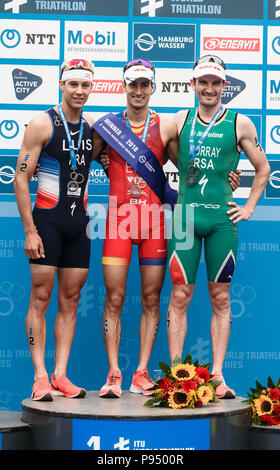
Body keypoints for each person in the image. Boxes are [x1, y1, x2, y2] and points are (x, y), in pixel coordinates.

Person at [94, 58, 240, 398]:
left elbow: (191, 169)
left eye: (145, 84)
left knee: (150, 299)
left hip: (154, 223)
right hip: (118, 220)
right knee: (113, 298)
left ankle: (141, 372)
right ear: (124, 86)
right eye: (134, 84)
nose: (139, 90)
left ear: (153, 87)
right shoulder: (107, 127)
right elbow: (82, 162)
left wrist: (227, 177)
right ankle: (113, 373)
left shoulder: (165, 127)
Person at [167, 55, 270, 398]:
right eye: (203, 81)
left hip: (222, 222)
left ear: (224, 86)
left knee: (220, 297)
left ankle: (218, 375)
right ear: (193, 84)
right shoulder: (179, 120)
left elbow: (264, 169)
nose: (209, 88)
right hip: (184, 220)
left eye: (215, 82)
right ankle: (176, 376)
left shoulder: (241, 123)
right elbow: (149, 151)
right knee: (180, 295)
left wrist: (250, 207)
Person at [14, 59, 96, 401]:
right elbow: (20, 177)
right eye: (73, 84)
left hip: (79, 226)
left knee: (71, 301)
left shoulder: (93, 129)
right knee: (41, 298)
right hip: (46, 222)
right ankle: (40, 376)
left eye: (85, 85)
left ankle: (61, 374)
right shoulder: (40, 123)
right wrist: (30, 231)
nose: (79, 90)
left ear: (92, 89)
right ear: (61, 85)